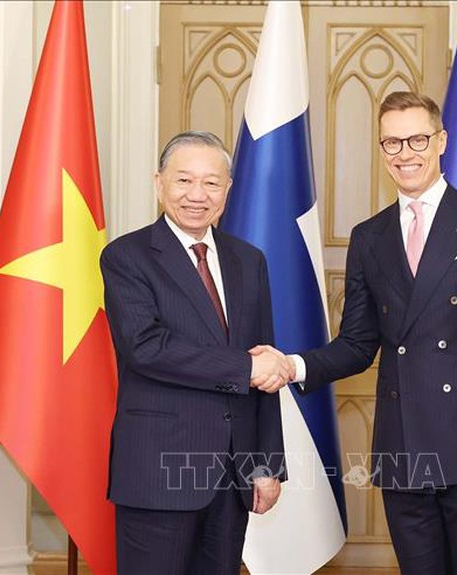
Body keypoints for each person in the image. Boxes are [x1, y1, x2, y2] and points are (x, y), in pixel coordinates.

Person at [252, 91, 457, 574]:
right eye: (391, 143)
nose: (404, 153)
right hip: (404, 449)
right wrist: (293, 365)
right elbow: (356, 345)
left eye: (417, 140)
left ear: (441, 142)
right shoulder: (369, 237)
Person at [101, 131, 292, 574]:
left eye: (211, 183)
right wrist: (245, 366)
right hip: (158, 472)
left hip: (231, 476)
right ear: (159, 183)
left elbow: (264, 363)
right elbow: (147, 348)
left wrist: (266, 464)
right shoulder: (127, 256)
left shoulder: (249, 260)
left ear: (228, 189)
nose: (197, 195)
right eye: (184, 180)